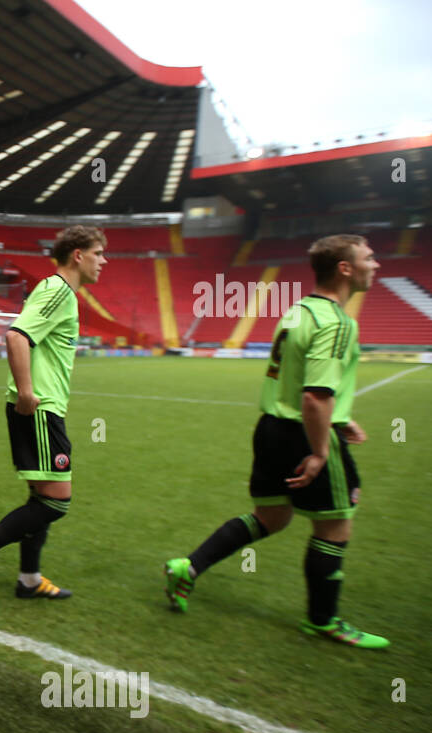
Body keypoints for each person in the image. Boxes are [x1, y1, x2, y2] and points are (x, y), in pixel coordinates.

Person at [164, 235, 387, 649]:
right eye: (369, 258)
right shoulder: (337, 322)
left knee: (272, 517)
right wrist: (322, 450)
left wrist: (343, 417)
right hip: (305, 434)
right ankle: (323, 620)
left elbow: (300, 382)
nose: (376, 265)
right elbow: (315, 395)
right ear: (344, 268)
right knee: (336, 523)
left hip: (271, 429)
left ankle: (188, 567)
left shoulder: (297, 312)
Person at [0, 226, 107, 602]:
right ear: (78, 255)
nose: (103, 261)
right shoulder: (57, 291)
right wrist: (26, 391)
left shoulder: (62, 293)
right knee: (57, 500)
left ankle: (29, 578)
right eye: (98, 253)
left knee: (42, 497)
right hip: (40, 408)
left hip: (45, 408)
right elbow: (16, 336)